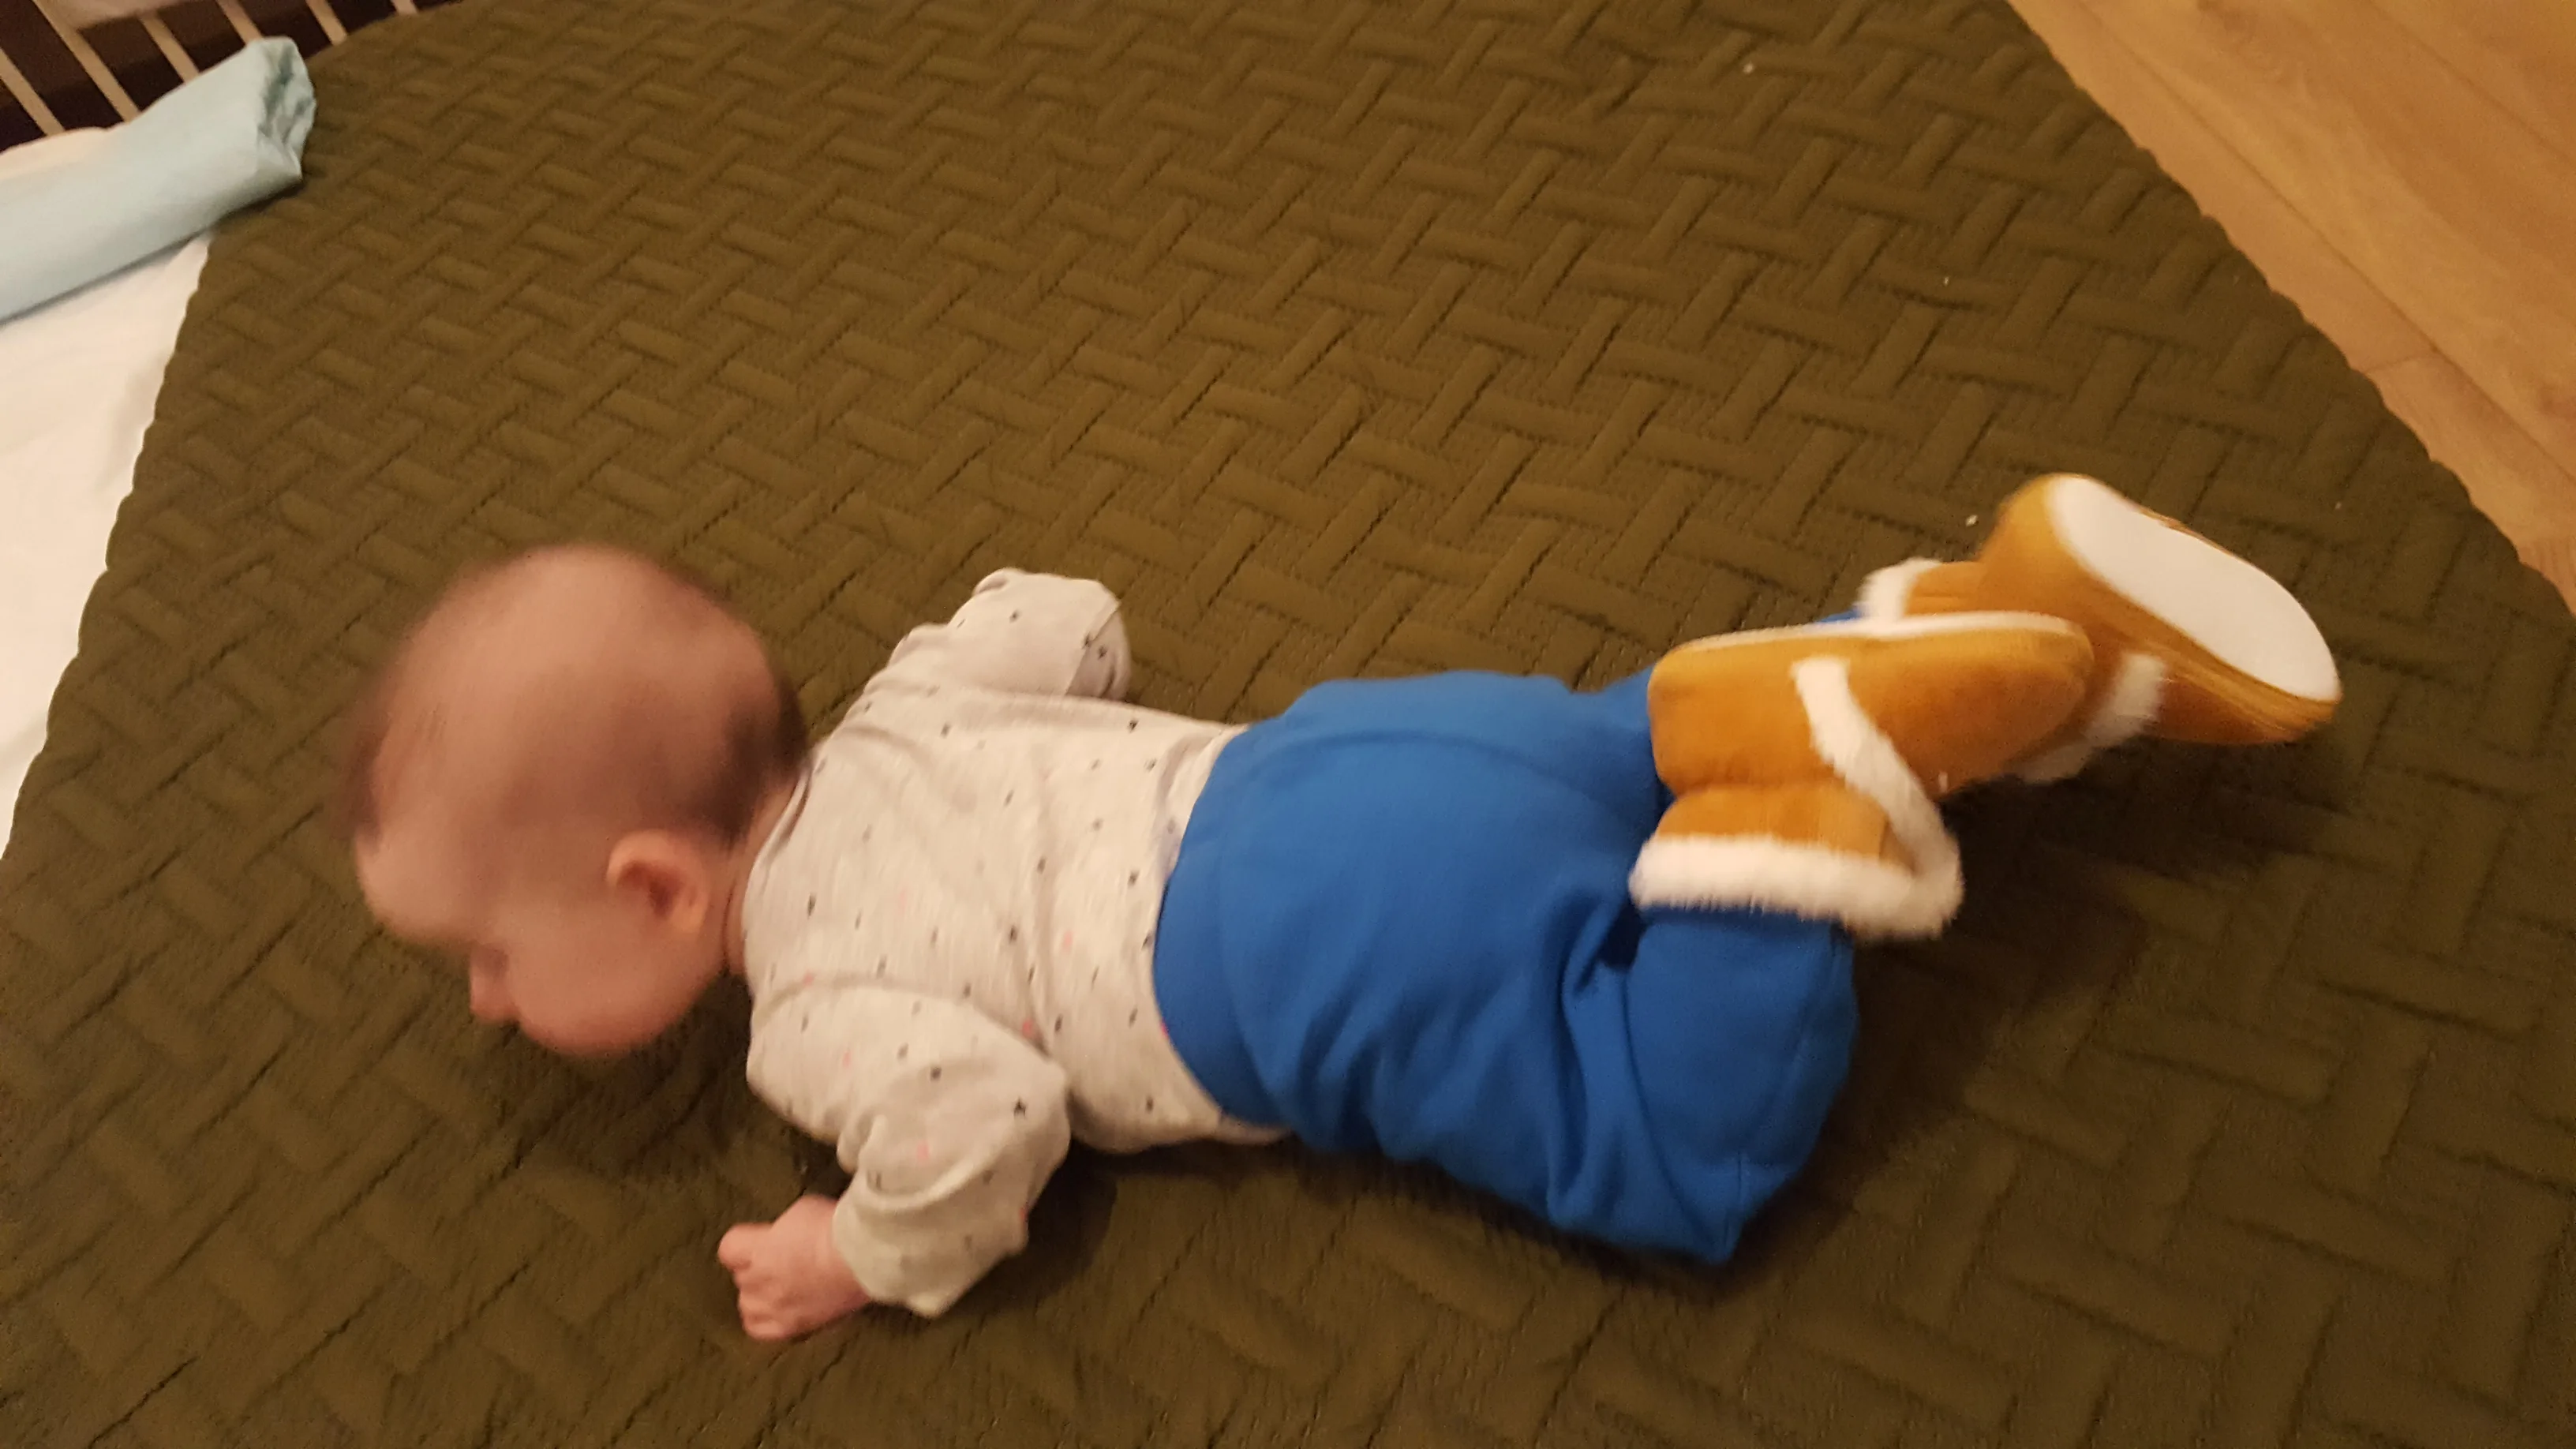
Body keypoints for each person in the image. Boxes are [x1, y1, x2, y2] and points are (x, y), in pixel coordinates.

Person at [338, 474, 2338, 1340]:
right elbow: (1069, 614)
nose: (492, 1006)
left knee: (1672, 1147)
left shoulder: (803, 1016)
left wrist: (857, 1251)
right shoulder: (898, 709)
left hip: (1279, 959)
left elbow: (988, 1123)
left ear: (656, 885)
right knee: (1620, 755)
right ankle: (1961, 634)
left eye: (490, 954)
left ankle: (1810, 801)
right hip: (1332, 755)